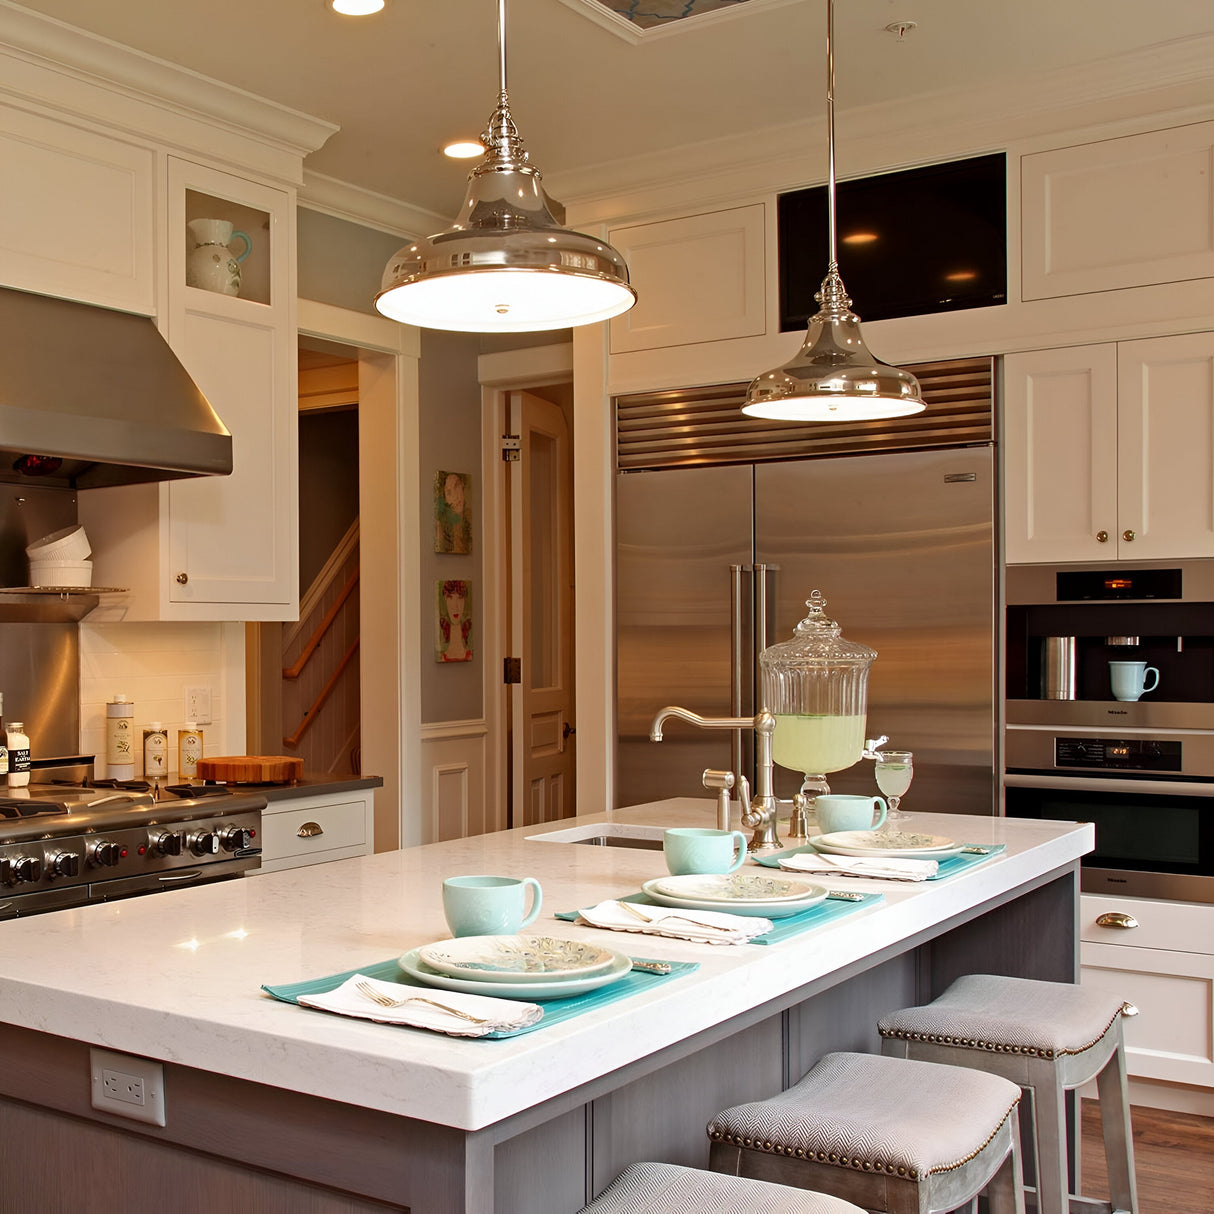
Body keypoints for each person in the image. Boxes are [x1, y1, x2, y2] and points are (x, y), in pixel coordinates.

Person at [438, 579, 472, 662]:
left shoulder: (470, 655)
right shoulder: (441, 657)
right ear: (445, 601)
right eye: (450, 598)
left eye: (460, 598)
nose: (455, 606)